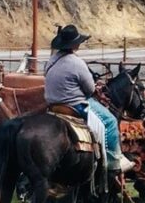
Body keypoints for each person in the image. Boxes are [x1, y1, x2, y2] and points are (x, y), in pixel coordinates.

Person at [43, 24, 134, 172]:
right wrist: (95, 87)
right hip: (74, 106)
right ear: (75, 45)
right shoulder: (77, 63)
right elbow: (90, 89)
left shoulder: (52, 60)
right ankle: (113, 161)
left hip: (52, 104)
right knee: (110, 122)